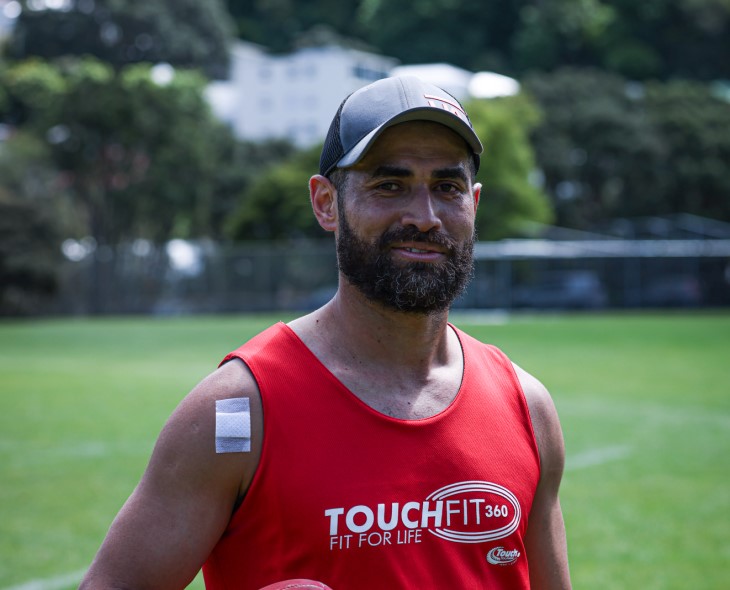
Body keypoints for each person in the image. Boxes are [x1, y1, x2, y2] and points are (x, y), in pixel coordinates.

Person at [80, 76, 571, 589]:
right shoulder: (239, 414)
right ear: (326, 203)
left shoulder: (527, 407)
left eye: (446, 187)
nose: (425, 218)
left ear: (473, 203)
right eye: (389, 185)